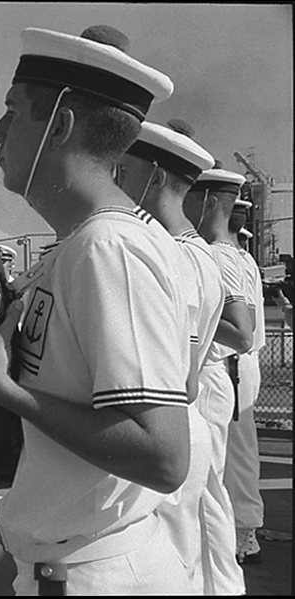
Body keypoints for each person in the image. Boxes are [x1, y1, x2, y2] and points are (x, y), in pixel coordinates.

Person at [0, 25, 194, 594]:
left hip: (95, 576)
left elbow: (163, 457)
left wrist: (4, 388)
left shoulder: (107, 250)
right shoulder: (79, 247)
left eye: (13, 111)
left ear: (59, 125)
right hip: (73, 564)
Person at [114, 119, 220, 593]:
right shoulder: (201, 255)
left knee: (172, 565)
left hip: (169, 422)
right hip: (184, 422)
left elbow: (184, 377)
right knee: (184, 561)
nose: (116, 178)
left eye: (125, 169)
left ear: (154, 177)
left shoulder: (173, 256)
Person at [183, 167, 253, 595]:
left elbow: (242, 333)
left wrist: (191, 315)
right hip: (211, 375)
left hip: (210, 375)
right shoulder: (227, 254)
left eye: (190, 196)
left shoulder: (218, 255)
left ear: (208, 202)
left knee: (207, 495)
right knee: (203, 491)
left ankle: (222, 588)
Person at [225, 197, 266, 566]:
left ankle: (244, 533)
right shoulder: (245, 260)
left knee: (236, 453)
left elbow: (244, 326)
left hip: (233, 363)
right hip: (242, 362)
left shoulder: (231, 260)